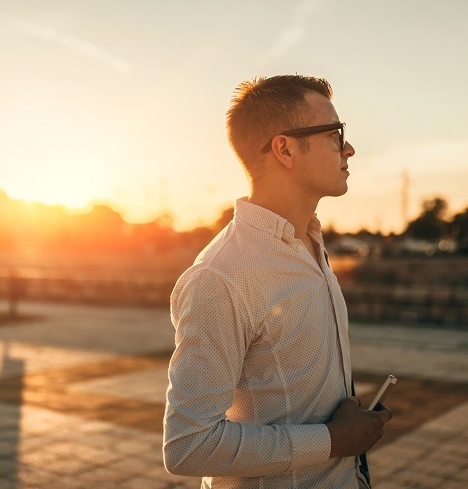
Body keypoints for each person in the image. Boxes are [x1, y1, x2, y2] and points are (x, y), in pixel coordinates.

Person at [163, 75, 393, 489]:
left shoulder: (313, 244)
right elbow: (188, 445)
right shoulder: (221, 277)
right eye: (335, 134)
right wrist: (333, 440)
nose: (349, 148)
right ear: (285, 148)